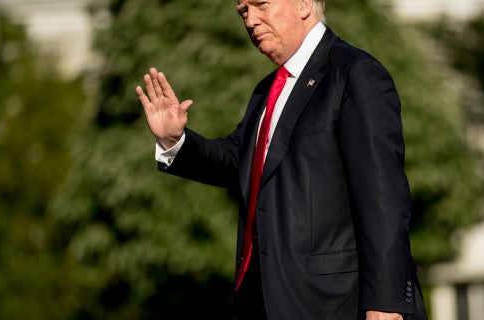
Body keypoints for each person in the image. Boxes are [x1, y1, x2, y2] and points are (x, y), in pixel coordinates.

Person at [136, 0, 428, 319]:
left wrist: (385, 305)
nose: (250, 20)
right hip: (261, 301)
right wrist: (173, 140)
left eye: (261, 4)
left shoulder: (354, 72)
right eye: (243, 11)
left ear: (304, 3)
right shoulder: (266, 90)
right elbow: (238, 160)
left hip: (333, 303)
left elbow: (382, 196)